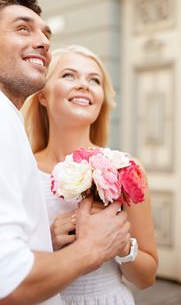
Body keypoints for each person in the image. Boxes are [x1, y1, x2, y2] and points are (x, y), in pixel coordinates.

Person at [0, 0, 131, 305]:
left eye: (46, 34)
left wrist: (45, 241)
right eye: (23, 29)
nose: (43, 42)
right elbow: (3, 281)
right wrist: (93, 248)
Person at [22, 45, 159, 304]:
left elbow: (147, 277)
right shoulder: (20, 169)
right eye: (69, 76)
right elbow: (0, 264)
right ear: (42, 95)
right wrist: (47, 240)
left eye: (94, 80)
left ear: (100, 99)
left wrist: (120, 245)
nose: (84, 85)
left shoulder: (126, 169)